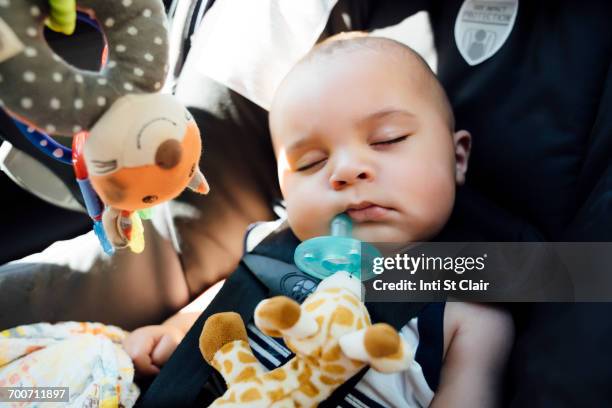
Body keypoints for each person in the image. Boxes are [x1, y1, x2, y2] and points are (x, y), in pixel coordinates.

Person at [124, 35, 514, 407]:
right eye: (311, 162)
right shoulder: (269, 248)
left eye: (387, 139)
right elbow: (216, 308)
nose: (345, 170)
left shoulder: (470, 311)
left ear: (457, 157)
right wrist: (173, 331)